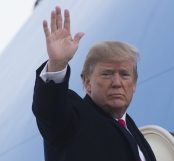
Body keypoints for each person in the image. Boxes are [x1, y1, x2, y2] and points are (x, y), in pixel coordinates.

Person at [32, 6, 156, 161]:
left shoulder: (132, 129)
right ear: (87, 82)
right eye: (107, 74)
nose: (117, 83)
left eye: (124, 75)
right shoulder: (72, 119)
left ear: (135, 84)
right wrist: (57, 64)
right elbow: (49, 110)